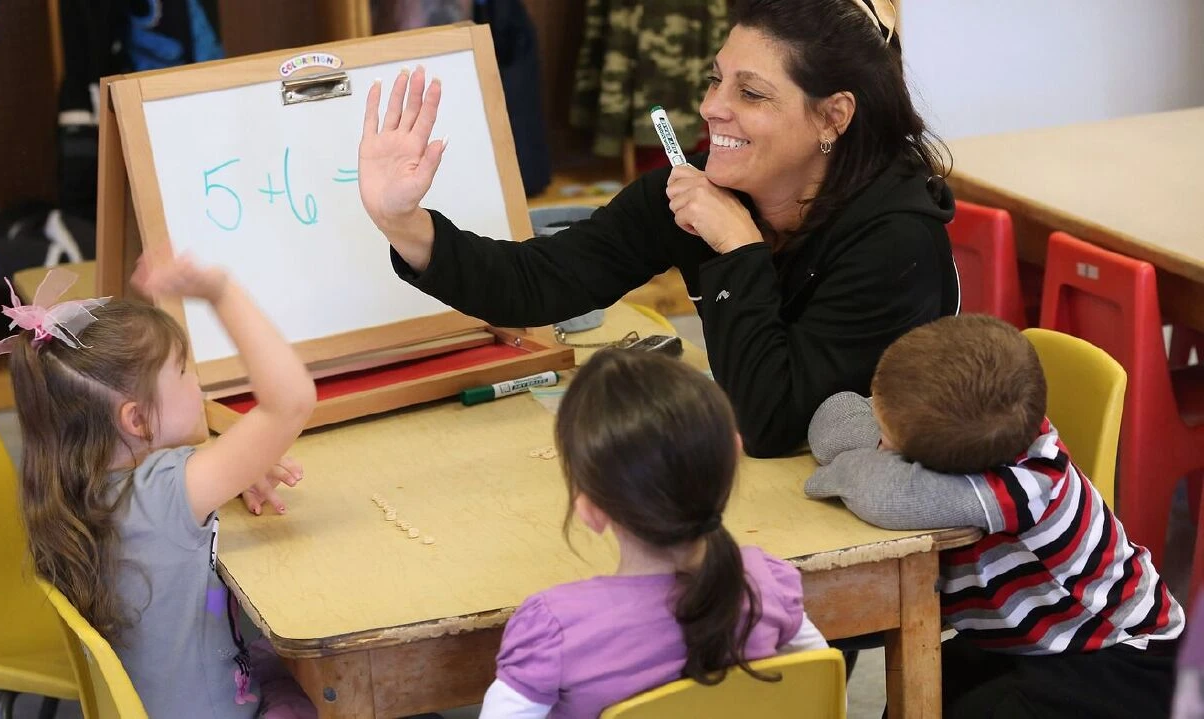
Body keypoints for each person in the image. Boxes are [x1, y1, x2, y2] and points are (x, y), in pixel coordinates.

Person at [355, 0, 958, 457]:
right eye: (715, 79)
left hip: (886, 528)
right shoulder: (697, 190)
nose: (713, 107)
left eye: (750, 93)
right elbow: (537, 284)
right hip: (767, 504)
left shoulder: (895, 240)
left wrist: (738, 247)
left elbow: (774, 424)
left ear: (833, 116)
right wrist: (402, 222)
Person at [805, 315, 1184, 718]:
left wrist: (847, 467)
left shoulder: (1026, 485)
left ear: (938, 466)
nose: (878, 443)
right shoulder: (967, 431)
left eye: (886, 440)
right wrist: (877, 445)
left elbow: (881, 491)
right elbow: (834, 417)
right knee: (931, 683)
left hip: (1119, 656)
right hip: (1023, 636)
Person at [2, 259, 318, 717]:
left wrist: (234, 471)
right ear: (137, 419)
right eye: (185, 372)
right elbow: (290, 403)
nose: (198, 383)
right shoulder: (164, 491)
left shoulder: (74, 488)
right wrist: (220, 291)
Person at [479, 349, 827, 718]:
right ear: (734, 454)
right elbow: (820, 688)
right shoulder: (767, 584)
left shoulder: (555, 631)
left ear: (590, 511)